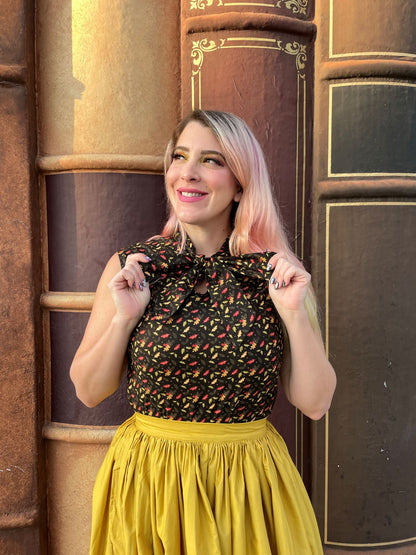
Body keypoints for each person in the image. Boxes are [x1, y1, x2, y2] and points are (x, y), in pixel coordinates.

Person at [70, 109, 336, 554]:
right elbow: (88, 390)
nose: (187, 173)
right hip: (150, 487)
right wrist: (124, 318)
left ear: (241, 183)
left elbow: (314, 403)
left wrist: (292, 314)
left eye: (211, 160)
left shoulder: (276, 275)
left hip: (247, 489)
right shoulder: (133, 268)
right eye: (180, 156)